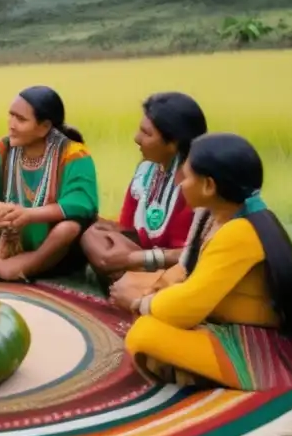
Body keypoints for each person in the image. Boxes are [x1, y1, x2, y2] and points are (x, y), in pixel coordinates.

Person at [111, 132, 292, 391]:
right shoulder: (215, 215)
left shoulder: (239, 232)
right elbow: (186, 269)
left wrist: (140, 303)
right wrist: (152, 292)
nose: (180, 183)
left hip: (260, 341)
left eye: (188, 175)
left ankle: (207, 370)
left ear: (209, 186)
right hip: (220, 313)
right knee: (140, 289)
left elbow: (185, 308)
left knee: (144, 334)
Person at [0, 86, 99, 281]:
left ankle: (16, 267)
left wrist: (28, 215)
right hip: (1, 240)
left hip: (50, 248)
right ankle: (2, 266)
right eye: (11, 115)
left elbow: (82, 201)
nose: (11, 124)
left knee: (68, 228)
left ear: (44, 127)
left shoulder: (73, 154)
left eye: (20, 119)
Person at [81, 92, 208, 290]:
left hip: (180, 272)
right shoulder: (148, 171)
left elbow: (195, 254)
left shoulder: (198, 186)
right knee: (92, 234)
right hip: (145, 262)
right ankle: (132, 285)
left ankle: (138, 288)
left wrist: (134, 258)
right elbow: (129, 228)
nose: (136, 138)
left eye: (147, 134)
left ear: (173, 143)